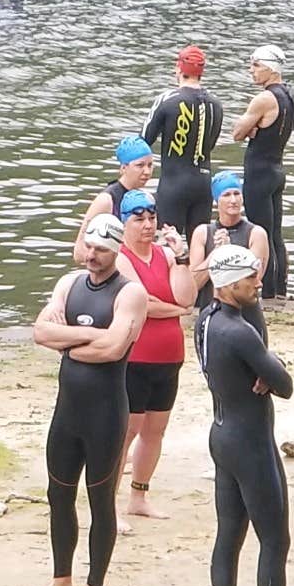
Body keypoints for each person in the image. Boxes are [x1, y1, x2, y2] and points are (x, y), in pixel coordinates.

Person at [27, 213, 146, 586]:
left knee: (100, 501)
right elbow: (40, 331)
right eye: (89, 247)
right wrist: (93, 336)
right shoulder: (69, 284)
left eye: (101, 250)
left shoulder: (130, 294)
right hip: (67, 412)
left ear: (116, 251)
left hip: (106, 413)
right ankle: (61, 581)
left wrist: (69, 342)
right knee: (58, 495)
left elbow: (113, 350)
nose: (91, 255)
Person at [195, 244, 294, 586]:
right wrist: (269, 369)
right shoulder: (238, 331)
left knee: (229, 536)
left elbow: (263, 368)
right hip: (250, 441)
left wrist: (264, 367)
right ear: (228, 281)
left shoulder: (206, 321)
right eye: (251, 277)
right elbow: (285, 384)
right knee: (274, 539)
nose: (259, 282)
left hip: (222, 432)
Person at [116, 189, 191, 524]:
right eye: (139, 218)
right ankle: (107, 502)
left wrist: (183, 257)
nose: (147, 225)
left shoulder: (165, 255)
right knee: (126, 431)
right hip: (135, 357)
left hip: (169, 355)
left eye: (151, 218)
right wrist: (176, 309)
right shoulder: (120, 257)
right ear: (125, 222)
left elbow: (187, 295)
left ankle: (139, 495)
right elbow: (142, 303)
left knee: (155, 430)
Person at [229, 45, 294, 299]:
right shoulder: (288, 95)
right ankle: (280, 289)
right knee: (276, 234)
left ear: (271, 68)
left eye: (256, 65)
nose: (251, 70)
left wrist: (251, 128)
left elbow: (237, 133)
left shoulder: (264, 99)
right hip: (277, 169)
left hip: (259, 172)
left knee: (260, 233)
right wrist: (253, 127)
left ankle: (266, 291)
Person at [146, 45, 224, 238]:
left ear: (179, 69)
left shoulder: (168, 99)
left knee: (168, 247)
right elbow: (211, 144)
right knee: (198, 248)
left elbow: (145, 139)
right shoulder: (216, 104)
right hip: (204, 185)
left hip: (173, 184)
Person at [190, 172, 270, 313]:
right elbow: (193, 284)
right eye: (226, 195)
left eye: (237, 194)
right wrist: (216, 253)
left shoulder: (256, 233)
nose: (233, 200)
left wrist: (228, 251)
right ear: (216, 200)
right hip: (211, 311)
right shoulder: (202, 233)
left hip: (246, 313)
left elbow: (254, 280)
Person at [79, 136, 156, 245]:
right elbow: (80, 251)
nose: (147, 171)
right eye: (140, 165)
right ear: (123, 168)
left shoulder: (148, 198)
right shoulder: (106, 200)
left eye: (150, 165)